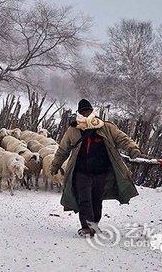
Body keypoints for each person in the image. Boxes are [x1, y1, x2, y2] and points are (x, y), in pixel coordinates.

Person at [50, 99, 147, 237]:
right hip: (81, 171)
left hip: (101, 172)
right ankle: (87, 227)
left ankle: (94, 223)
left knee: (96, 199)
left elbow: (122, 139)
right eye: (82, 112)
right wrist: (55, 165)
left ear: (92, 112)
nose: (85, 114)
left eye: (87, 111)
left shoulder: (106, 127)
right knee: (84, 200)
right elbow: (63, 149)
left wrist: (133, 149)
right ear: (79, 113)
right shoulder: (74, 129)